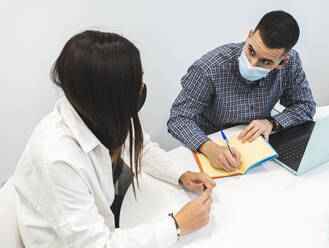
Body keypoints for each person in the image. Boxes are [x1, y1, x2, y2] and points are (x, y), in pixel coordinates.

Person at [12, 30, 216, 248]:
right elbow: (97, 244)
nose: (142, 88)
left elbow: (141, 148)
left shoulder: (99, 111)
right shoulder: (56, 157)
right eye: (136, 82)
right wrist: (176, 225)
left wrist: (181, 174)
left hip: (100, 218)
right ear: (110, 94)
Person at [168, 10, 316, 172]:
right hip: (211, 143)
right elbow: (178, 118)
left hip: (259, 147)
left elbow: (305, 105)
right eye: (251, 51)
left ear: (282, 62)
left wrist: (272, 123)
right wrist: (209, 148)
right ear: (249, 36)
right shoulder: (209, 69)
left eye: (265, 62)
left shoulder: (291, 63)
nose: (252, 64)